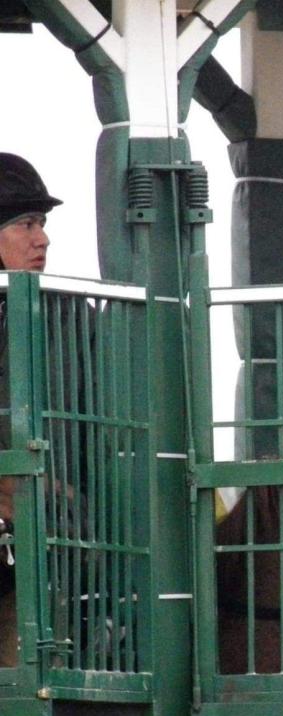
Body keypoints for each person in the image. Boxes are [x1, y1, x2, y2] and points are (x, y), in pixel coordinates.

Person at [0, 152, 61, 667]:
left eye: (40, 223)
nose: (42, 239)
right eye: (24, 223)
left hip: (35, 543)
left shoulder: (64, 317)